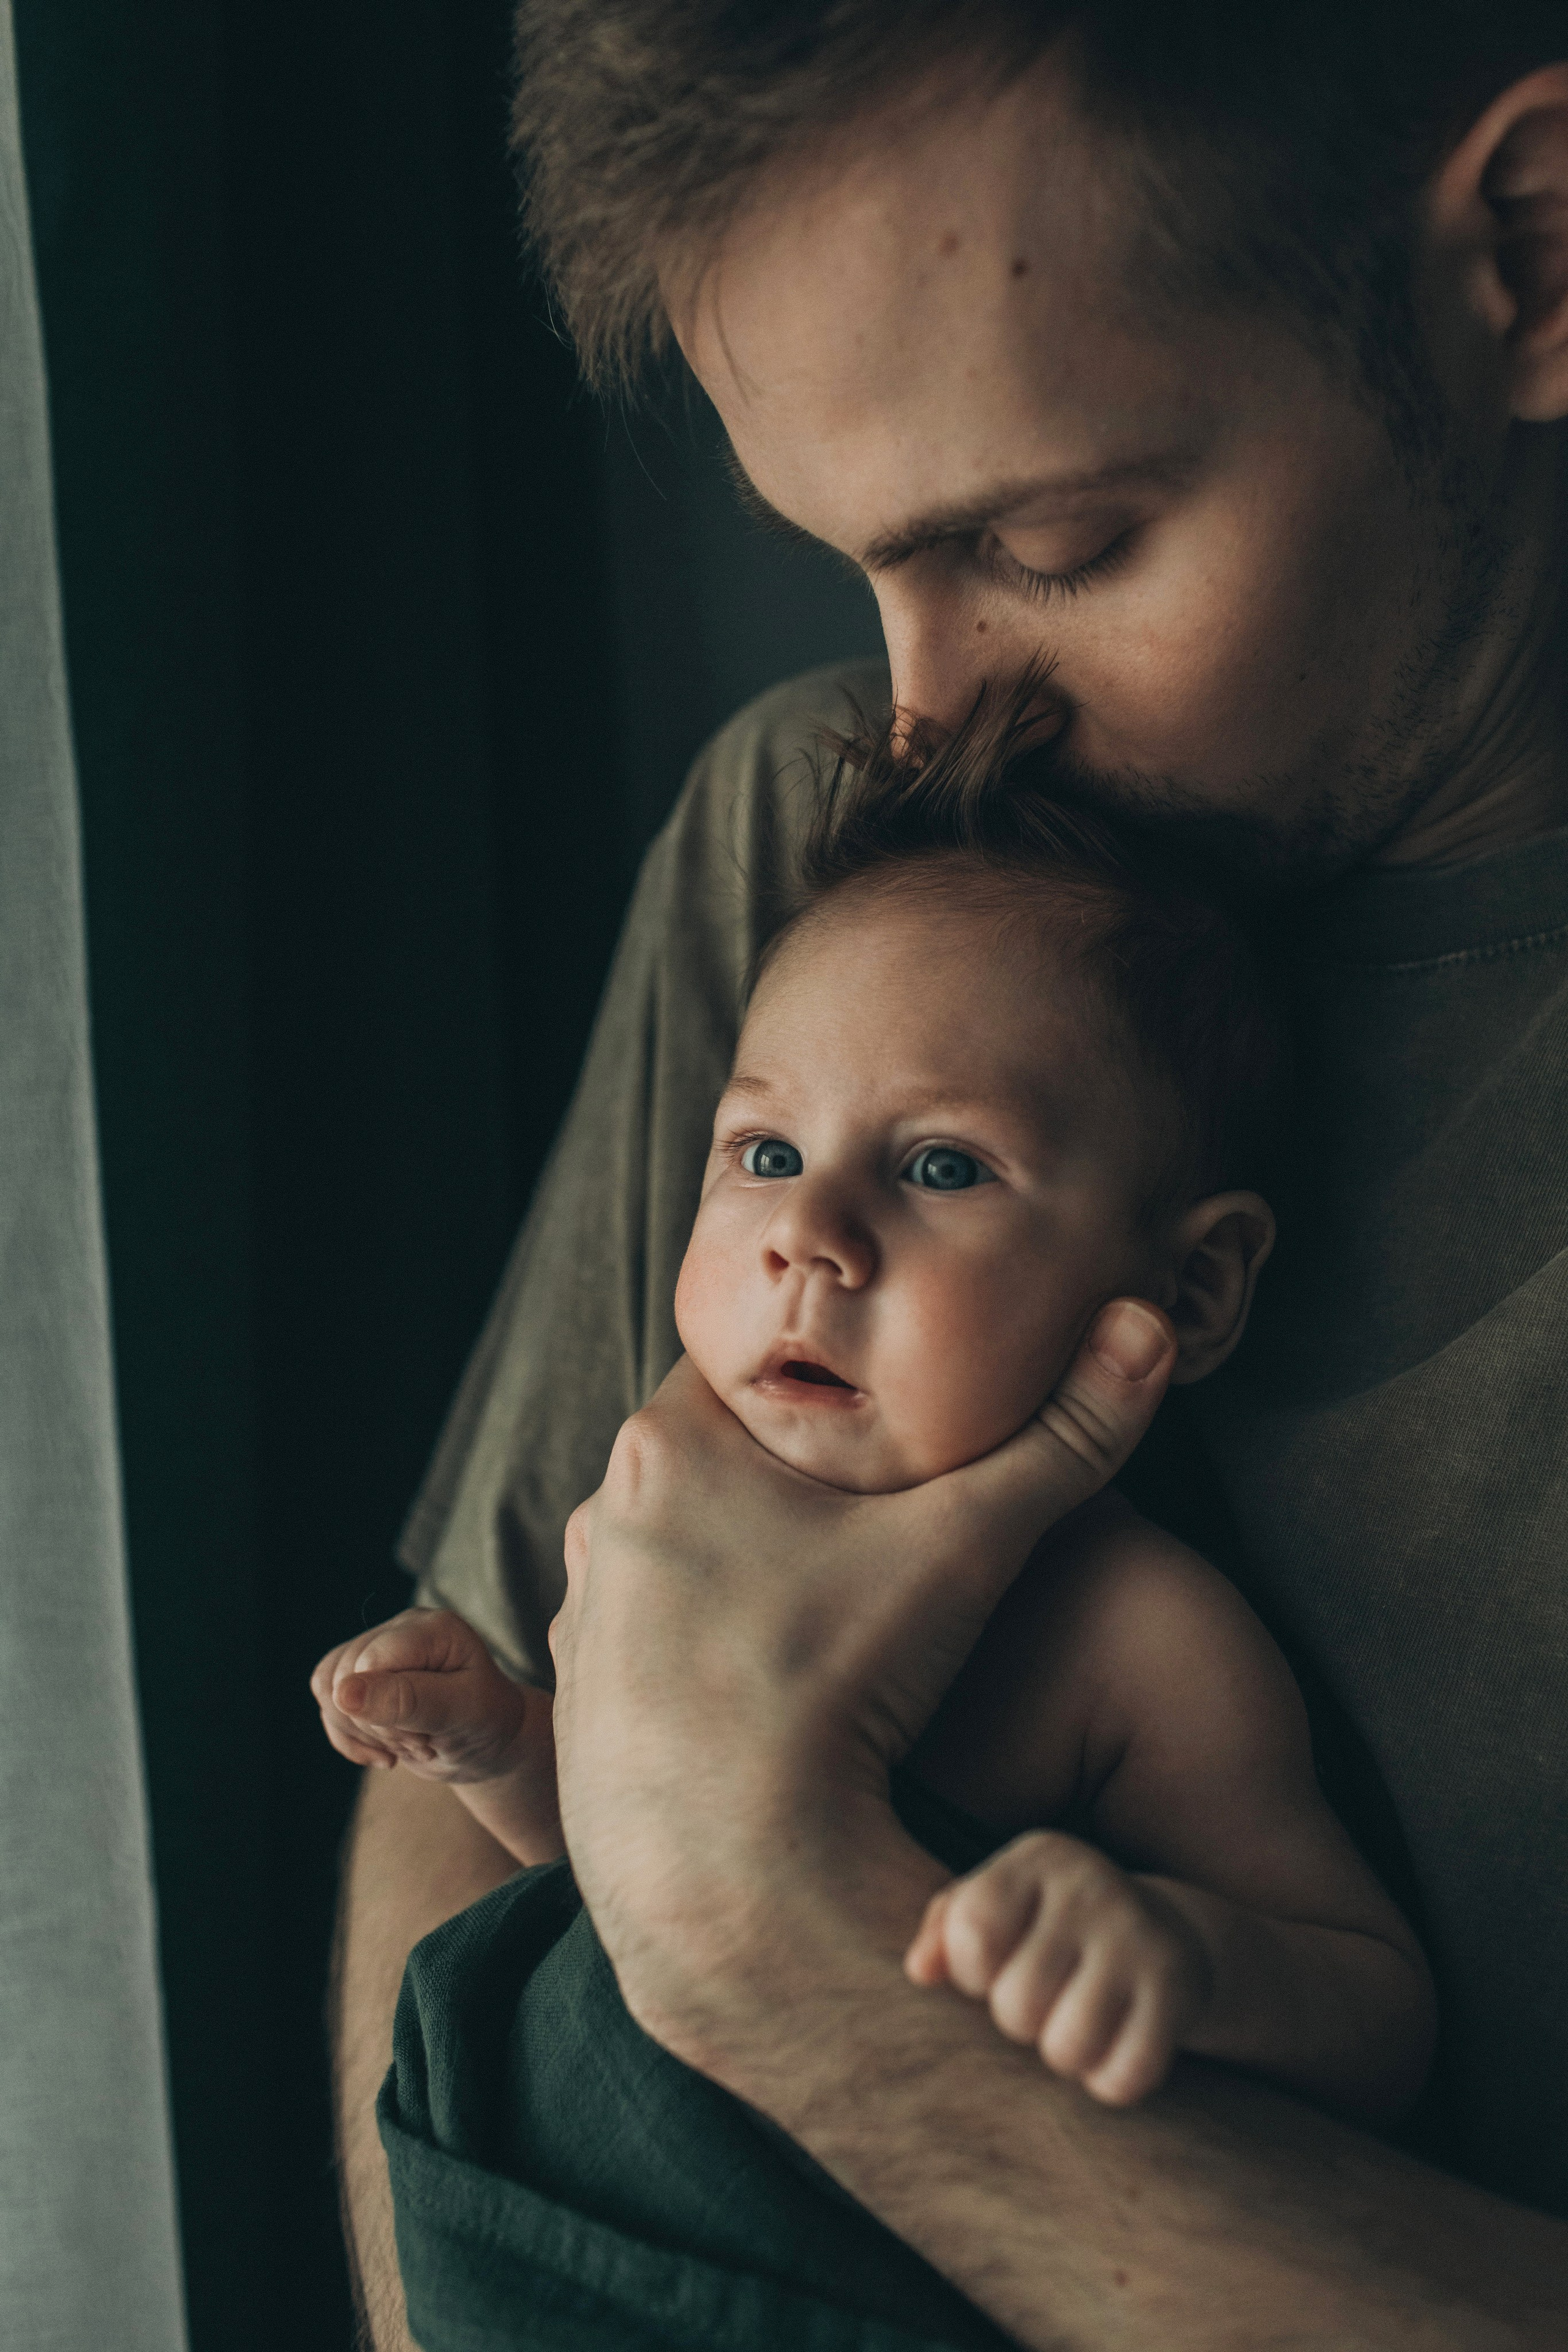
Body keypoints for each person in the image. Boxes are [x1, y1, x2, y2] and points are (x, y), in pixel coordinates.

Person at [333, 5, 1568, 2346]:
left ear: (1524, 250)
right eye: (854, 568)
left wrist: (765, 1951)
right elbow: (474, 1801)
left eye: (1049, 542)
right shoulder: (841, 870)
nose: (920, 724)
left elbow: (714, 1920)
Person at [315, 728, 1436, 2124]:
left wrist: (1182, 1953)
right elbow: (641, 1888)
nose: (808, 1234)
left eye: (939, 1166)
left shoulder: (1132, 1636)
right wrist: (505, 1756)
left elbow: (1376, 2007)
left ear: (1188, 1287)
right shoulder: (661, 1529)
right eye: (766, 1154)